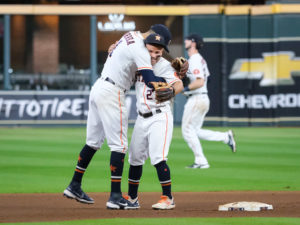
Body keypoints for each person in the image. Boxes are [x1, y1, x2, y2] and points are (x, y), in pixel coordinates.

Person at [63, 24, 178, 210]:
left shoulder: (130, 35)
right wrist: (167, 83)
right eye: (159, 45)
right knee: (119, 146)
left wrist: (175, 70)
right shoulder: (141, 48)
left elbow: (116, 51)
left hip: (99, 86)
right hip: (113, 91)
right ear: (154, 37)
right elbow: (149, 78)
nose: (157, 51)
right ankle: (115, 196)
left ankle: (75, 184)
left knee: (93, 142)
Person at [125, 33, 183, 210]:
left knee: (158, 158)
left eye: (158, 52)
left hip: (160, 116)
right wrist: (113, 47)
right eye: (151, 51)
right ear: (145, 48)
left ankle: (168, 197)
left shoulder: (165, 66)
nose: (154, 55)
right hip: (141, 118)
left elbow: (179, 84)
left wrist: (172, 92)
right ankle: (132, 198)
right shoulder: (139, 62)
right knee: (134, 158)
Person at [181, 33, 236, 169]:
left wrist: (184, 88)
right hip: (203, 97)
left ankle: (201, 161)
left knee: (187, 130)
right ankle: (225, 137)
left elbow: (200, 82)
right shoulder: (200, 59)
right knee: (195, 130)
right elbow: (208, 79)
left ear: (193, 43)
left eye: (188, 39)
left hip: (197, 98)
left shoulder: (194, 59)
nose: (185, 41)